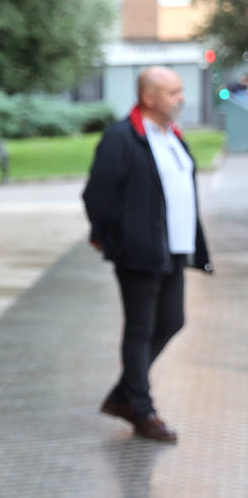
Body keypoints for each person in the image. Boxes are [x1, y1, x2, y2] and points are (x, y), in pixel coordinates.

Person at [83, 66, 212, 443]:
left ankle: (126, 393)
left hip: (174, 248)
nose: (181, 98)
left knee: (172, 320)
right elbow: (97, 195)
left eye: (181, 90)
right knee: (140, 329)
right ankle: (141, 409)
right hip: (139, 252)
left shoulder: (172, 136)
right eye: (174, 91)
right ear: (149, 97)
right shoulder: (122, 137)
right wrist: (106, 236)